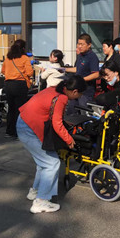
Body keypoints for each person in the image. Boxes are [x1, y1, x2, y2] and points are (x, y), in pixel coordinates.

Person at [17, 75, 86, 213]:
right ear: (74, 91)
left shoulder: (55, 89)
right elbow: (57, 124)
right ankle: (41, 202)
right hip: (29, 129)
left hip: (24, 123)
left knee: (44, 163)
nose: (79, 97)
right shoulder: (62, 98)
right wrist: (69, 139)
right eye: (80, 94)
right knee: (52, 163)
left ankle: (35, 191)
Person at [1, 39, 33, 139]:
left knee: (11, 108)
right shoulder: (25, 58)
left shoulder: (8, 58)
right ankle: (18, 132)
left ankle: (9, 131)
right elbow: (30, 72)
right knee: (20, 109)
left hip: (8, 84)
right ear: (23, 48)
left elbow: (3, 71)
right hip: (20, 84)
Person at [65, 34, 100, 107]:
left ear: (89, 45)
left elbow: (96, 74)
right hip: (76, 89)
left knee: (83, 109)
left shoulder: (92, 57)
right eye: (78, 44)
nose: (79, 46)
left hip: (86, 91)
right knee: (71, 109)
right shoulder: (80, 55)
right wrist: (65, 69)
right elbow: (78, 68)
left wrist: (82, 79)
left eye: (82, 44)